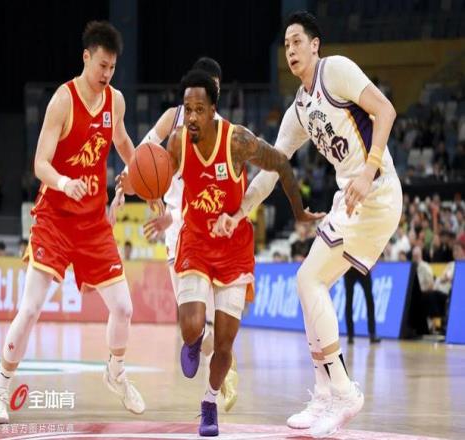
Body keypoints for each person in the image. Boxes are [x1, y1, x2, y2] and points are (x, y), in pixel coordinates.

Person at [212, 11, 402, 437]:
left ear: (315, 45)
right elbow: (272, 170)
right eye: (285, 45)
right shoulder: (299, 109)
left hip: (376, 190)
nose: (291, 50)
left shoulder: (336, 71)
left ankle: (343, 391)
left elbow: (386, 110)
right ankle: (325, 393)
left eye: (297, 41)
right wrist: (239, 211)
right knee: (306, 282)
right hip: (351, 197)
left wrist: (369, 169)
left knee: (310, 280)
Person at [0, 21, 159, 423]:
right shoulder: (63, 101)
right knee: (30, 309)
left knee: (124, 307)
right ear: (86, 57)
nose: (107, 74)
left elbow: (122, 142)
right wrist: (65, 183)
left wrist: (143, 181)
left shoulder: (116, 101)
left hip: (93, 223)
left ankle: (116, 372)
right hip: (55, 219)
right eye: (102, 65)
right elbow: (40, 164)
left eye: (112, 67)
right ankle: (0, 391)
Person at [137, 69, 318, 437]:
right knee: (191, 325)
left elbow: (280, 163)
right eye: (187, 109)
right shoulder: (177, 142)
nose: (191, 117)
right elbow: (157, 180)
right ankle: (191, 342)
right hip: (196, 241)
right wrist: (141, 188)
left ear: (213, 109)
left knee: (224, 343)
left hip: (233, 247)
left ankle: (209, 402)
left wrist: (299, 212)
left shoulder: (237, 140)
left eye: (198, 109)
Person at [132, 58, 238, 412]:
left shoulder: (225, 132)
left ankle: (220, 378)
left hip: (206, 230)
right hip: (176, 229)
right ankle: (209, 355)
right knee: (191, 324)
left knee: (211, 317)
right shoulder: (174, 118)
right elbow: (143, 156)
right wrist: (152, 195)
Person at [343, 268, 381, 344]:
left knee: (368, 300)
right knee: (350, 302)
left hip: (359, 267)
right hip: (355, 267)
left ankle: (352, 336)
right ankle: (352, 335)